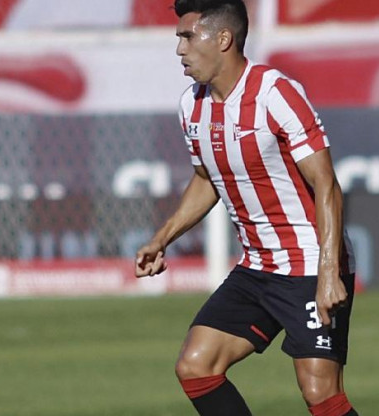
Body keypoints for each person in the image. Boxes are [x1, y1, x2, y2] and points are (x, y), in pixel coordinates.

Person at [135, 1, 359, 415]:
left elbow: (325, 182)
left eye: (187, 37)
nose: (179, 50)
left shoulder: (276, 95)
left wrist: (329, 273)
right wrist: (161, 238)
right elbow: (207, 179)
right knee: (196, 366)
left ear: (223, 39)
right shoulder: (192, 105)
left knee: (321, 395)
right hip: (257, 266)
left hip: (309, 265)